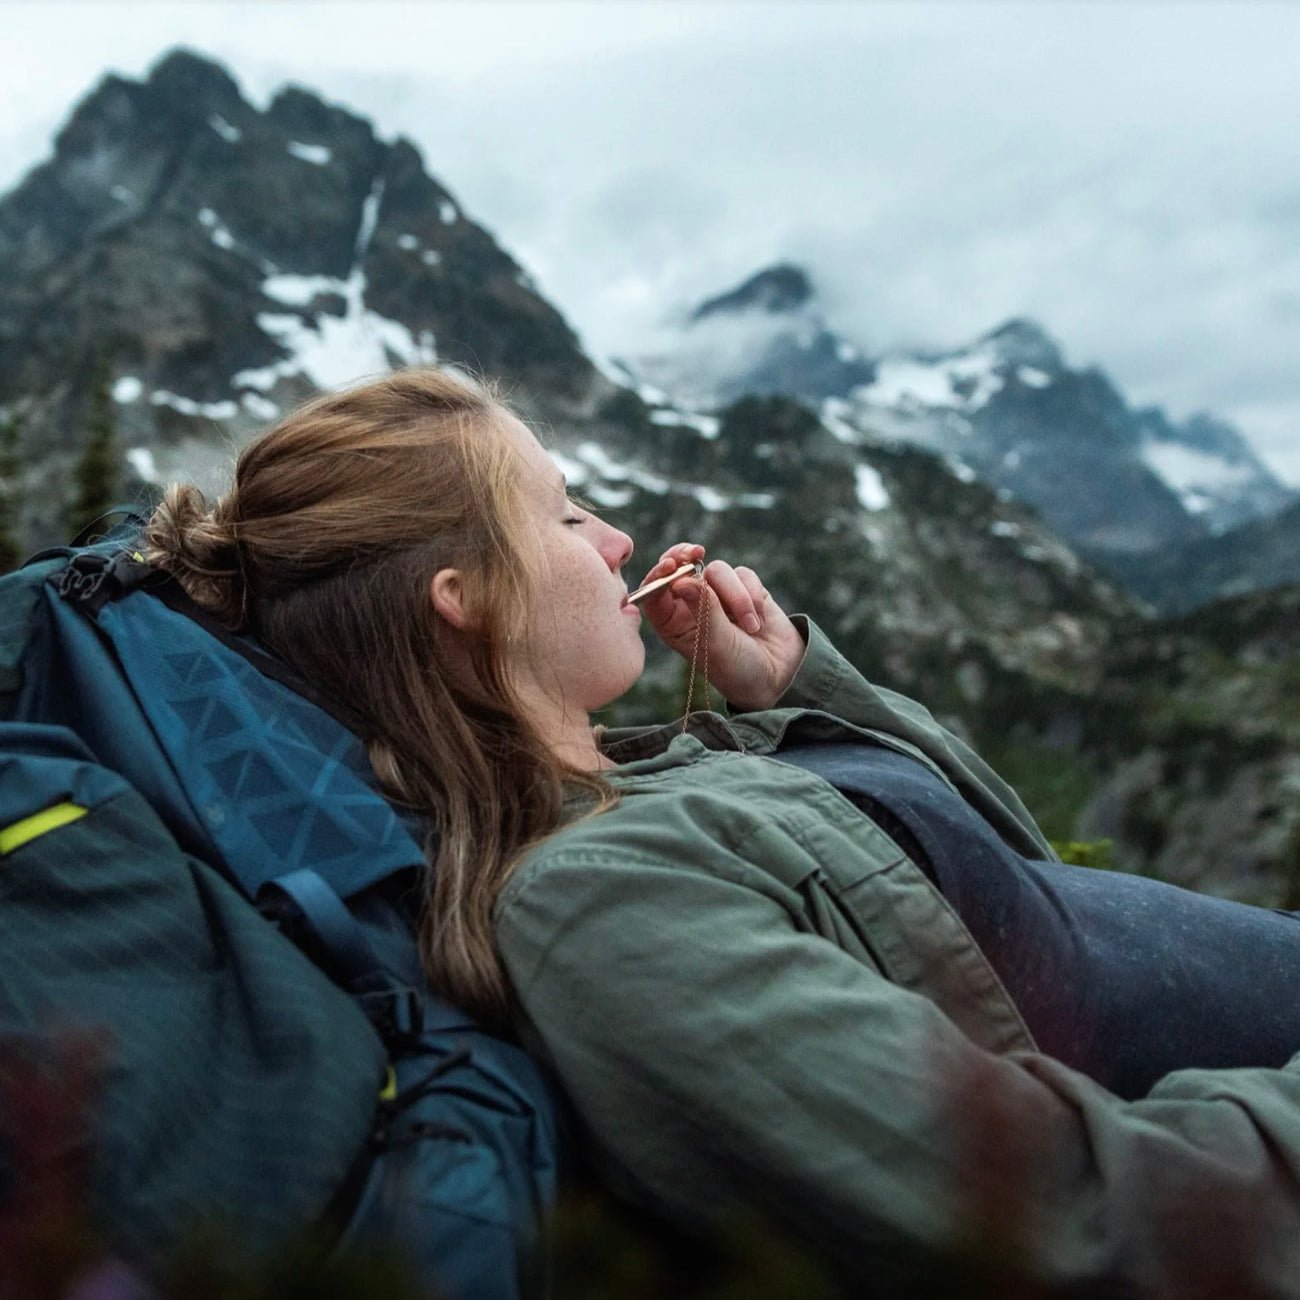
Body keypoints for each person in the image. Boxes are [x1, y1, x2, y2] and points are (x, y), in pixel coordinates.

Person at [144, 367, 1300, 1296]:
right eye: (565, 512)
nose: (615, 542)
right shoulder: (599, 909)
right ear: (472, 598)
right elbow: (1073, 1214)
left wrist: (801, 689)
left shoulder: (650, 775)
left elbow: (1013, 887)